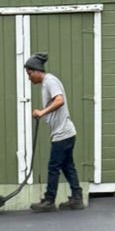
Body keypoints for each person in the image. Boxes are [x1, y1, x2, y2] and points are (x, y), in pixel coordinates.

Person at [24, 53, 84, 212]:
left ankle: (49, 200)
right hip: (66, 132)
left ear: (37, 71)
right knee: (67, 166)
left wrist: (42, 112)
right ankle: (77, 198)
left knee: (53, 166)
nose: (29, 78)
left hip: (63, 133)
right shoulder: (46, 83)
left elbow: (60, 100)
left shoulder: (50, 81)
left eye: (30, 74)